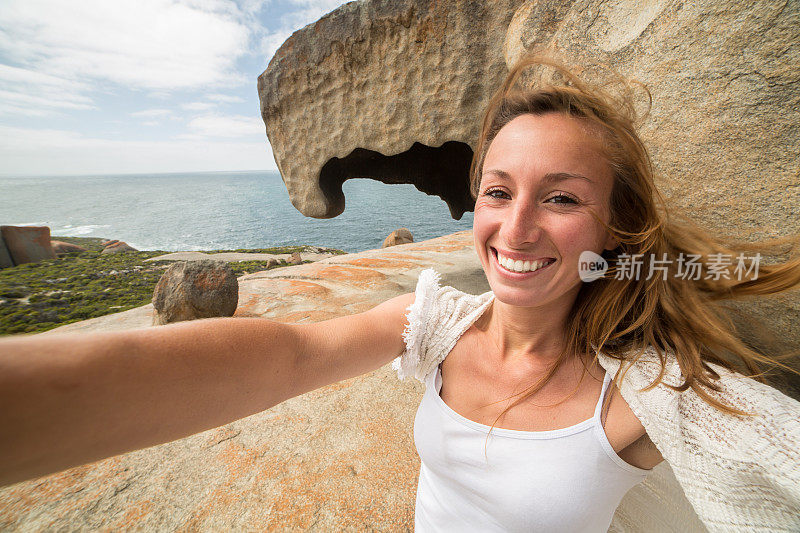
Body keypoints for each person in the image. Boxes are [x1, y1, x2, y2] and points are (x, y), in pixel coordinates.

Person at [1, 55, 799, 531]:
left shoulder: (649, 392)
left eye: (560, 198)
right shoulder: (438, 325)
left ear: (611, 231)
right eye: (496, 192)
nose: (515, 229)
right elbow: (291, 354)